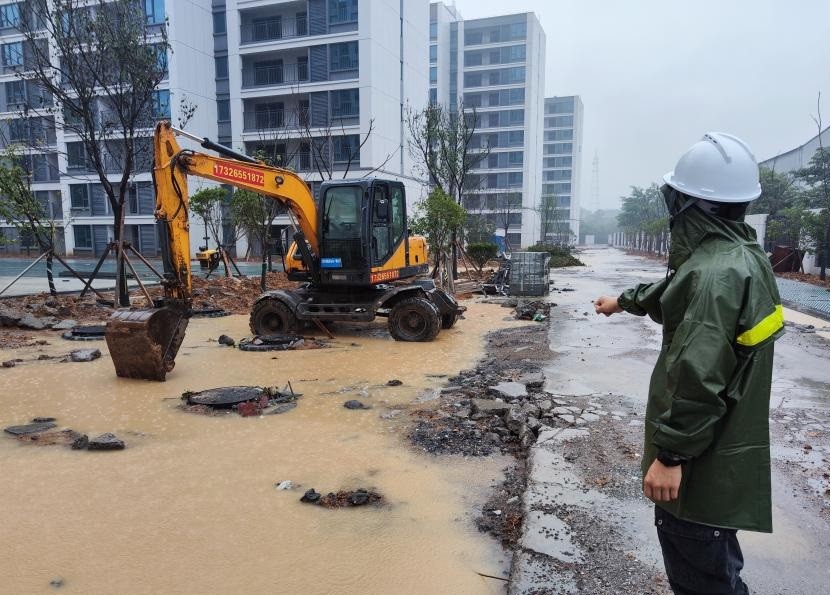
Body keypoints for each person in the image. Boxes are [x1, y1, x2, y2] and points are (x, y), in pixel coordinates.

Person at [594, 132, 784, 595]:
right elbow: (676, 289)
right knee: (721, 572)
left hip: (699, 467)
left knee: (702, 582)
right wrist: (623, 301)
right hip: (724, 453)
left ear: (691, 205)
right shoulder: (739, 257)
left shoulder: (714, 277)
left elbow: (699, 377)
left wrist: (671, 456)